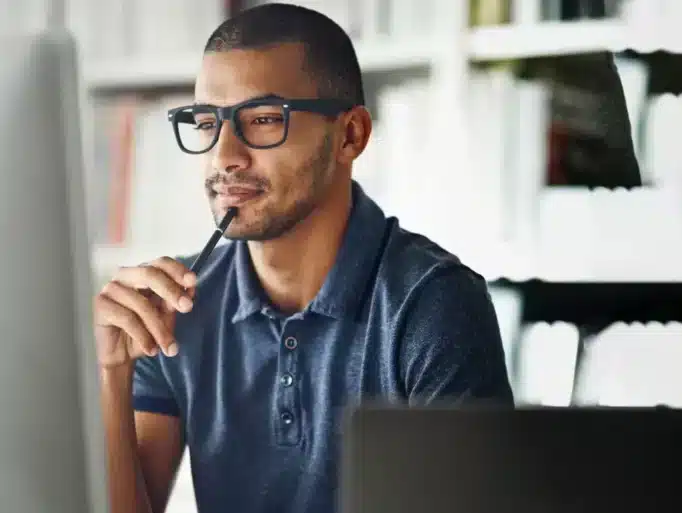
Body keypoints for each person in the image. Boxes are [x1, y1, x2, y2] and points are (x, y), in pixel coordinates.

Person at [93, 3, 514, 513]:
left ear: (350, 136)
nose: (224, 156)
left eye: (265, 119)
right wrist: (109, 373)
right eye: (207, 122)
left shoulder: (433, 304)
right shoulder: (176, 307)